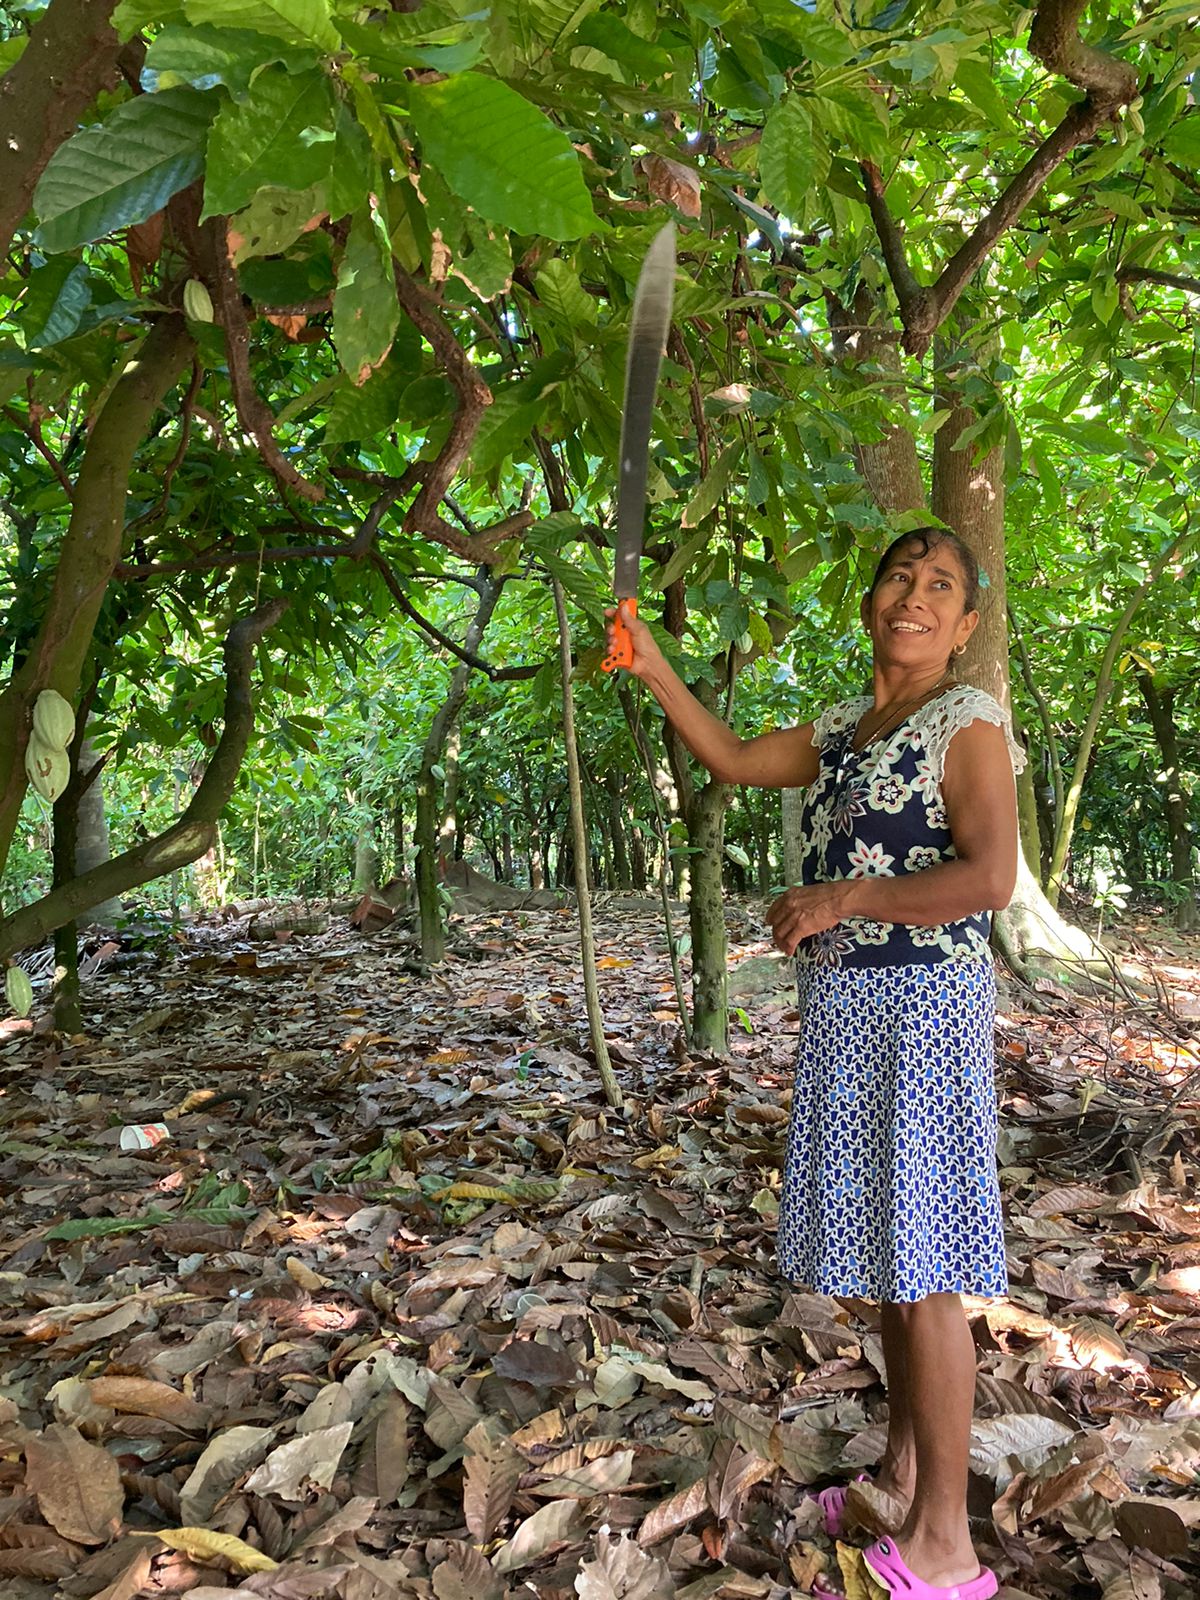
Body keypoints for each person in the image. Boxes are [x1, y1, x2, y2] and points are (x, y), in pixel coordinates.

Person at [607, 528, 1020, 1600]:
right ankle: (901, 1471)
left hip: (925, 1007)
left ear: (966, 625)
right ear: (870, 599)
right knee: (893, 1254)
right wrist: (652, 664)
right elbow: (737, 758)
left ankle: (946, 1544)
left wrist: (845, 898)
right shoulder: (849, 729)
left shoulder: (964, 722)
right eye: (899, 576)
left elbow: (989, 876)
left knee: (925, 1271)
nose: (915, 597)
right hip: (852, 1005)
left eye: (941, 587)